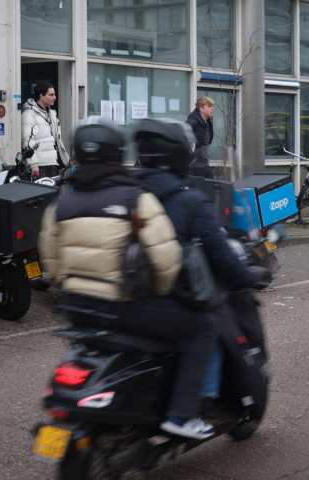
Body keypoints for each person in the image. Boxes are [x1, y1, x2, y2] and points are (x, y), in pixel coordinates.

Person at [38, 116, 218, 440]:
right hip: (123, 308)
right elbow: (166, 261)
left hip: (76, 308)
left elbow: (50, 263)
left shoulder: (62, 204)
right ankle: (182, 415)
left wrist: (73, 286)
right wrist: (158, 294)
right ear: (118, 153)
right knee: (204, 328)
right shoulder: (136, 198)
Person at [133, 118, 262, 410]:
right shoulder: (189, 200)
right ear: (180, 155)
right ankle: (197, 404)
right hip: (166, 300)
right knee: (208, 325)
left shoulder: (127, 193)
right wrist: (248, 276)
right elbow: (220, 253)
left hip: (124, 297)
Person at [21, 81, 69, 179]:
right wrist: (33, 164)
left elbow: (57, 140)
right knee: (40, 193)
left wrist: (66, 159)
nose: (54, 97)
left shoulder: (52, 114)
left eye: (54, 94)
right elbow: (28, 141)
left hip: (52, 163)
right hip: (39, 166)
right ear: (41, 96)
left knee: (53, 193)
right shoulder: (29, 114)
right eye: (51, 95)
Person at [185, 96, 215, 178]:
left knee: (212, 187)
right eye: (209, 106)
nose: (212, 109)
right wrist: (188, 160)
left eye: (212, 106)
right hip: (194, 164)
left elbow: (206, 144)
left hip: (204, 163)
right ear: (201, 109)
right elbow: (182, 138)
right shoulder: (193, 121)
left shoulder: (209, 123)